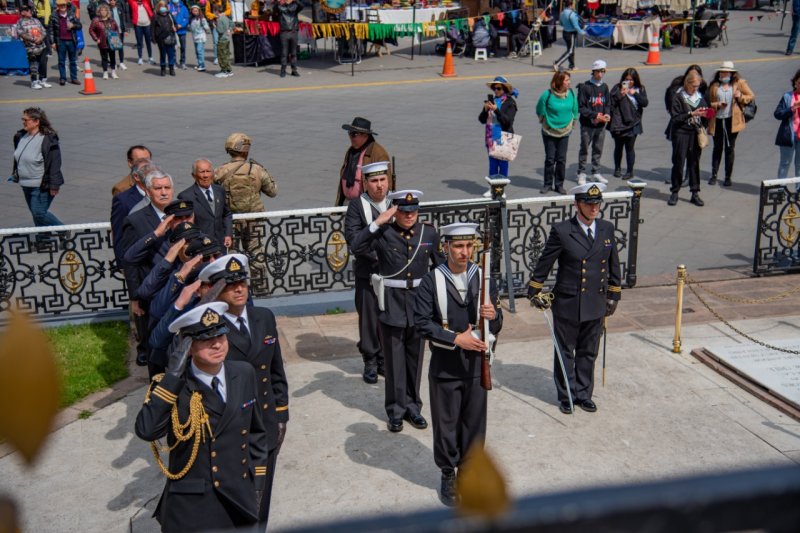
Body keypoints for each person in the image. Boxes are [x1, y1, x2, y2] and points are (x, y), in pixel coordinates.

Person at [134, 302, 270, 533]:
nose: (217, 344)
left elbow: (257, 431)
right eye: (206, 339)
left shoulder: (243, 372)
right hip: (193, 503)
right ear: (187, 346)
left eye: (221, 335)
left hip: (239, 495)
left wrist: (257, 481)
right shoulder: (174, 387)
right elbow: (147, 430)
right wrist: (172, 377)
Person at [414, 223, 502, 507]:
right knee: (447, 424)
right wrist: (455, 339)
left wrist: (494, 314)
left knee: (474, 424)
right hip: (446, 367)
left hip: (477, 366)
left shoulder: (483, 278)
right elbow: (421, 323)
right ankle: (448, 472)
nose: (465, 253)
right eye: (458, 247)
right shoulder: (431, 281)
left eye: (469, 246)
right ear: (446, 248)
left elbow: (497, 323)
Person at [200, 254, 289, 528]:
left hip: (267, 420)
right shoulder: (210, 329)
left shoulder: (263, 317)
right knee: (234, 496)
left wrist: (282, 414)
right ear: (217, 290)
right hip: (232, 427)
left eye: (243, 283)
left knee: (262, 494)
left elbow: (276, 371)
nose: (239, 289)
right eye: (230, 285)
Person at [350, 190, 444, 434]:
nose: (409, 215)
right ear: (395, 211)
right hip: (391, 305)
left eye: (413, 211)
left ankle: (413, 407)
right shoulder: (384, 233)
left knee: (415, 360)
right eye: (403, 211)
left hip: (419, 305)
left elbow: (440, 267)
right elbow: (356, 245)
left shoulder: (429, 233)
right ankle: (395, 410)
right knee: (394, 363)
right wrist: (378, 221)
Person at [528, 183, 621, 415]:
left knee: (589, 351)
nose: (594, 208)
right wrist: (535, 289)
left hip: (596, 302)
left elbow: (613, 265)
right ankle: (567, 394)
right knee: (565, 351)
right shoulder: (562, 231)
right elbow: (545, 262)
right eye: (589, 204)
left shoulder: (606, 229)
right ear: (577, 204)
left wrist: (614, 295)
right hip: (568, 302)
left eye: (597, 204)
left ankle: (583, 394)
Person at [119, 167, 175, 367]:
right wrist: (135, 297)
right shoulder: (136, 220)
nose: (164, 192)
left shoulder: (183, 213)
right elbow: (130, 262)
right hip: (153, 293)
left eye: (167, 187)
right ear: (148, 192)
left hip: (180, 289)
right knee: (156, 344)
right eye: (158, 188)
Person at [344, 161, 392, 384]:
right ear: (365, 183)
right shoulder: (357, 206)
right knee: (369, 318)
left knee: (391, 317)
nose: (379, 186)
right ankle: (371, 360)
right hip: (368, 271)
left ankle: (386, 359)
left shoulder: (397, 201)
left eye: (383, 180)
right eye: (374, 181)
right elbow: (355, 242)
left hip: (394, 273)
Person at [214, 132, 277, 294]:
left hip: (231, 221)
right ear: (245, 150)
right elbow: (273, 191)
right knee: (256, 254)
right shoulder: (256, 169)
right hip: (253, 220)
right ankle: (261, 289)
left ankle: (234, 289)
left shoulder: (220, 171)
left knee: (232, 256)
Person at [12, 107, 65, 234]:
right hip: (25, 184)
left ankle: (63, 230)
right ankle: (43, 239)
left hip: (40, 185)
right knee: (36, 214)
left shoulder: (48, 139)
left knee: (39, 213)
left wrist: (54, 185)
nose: (23, 122)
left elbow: (55, 163)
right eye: (22, 119)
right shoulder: (20, 136)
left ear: (36, 122)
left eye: (26, 120)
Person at [707, 61, 754, 187]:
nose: (724, 75)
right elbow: (707, 102)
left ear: (732, 73)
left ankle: (728, 176)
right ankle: (714, 175)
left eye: (727, 72)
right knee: (717, 147)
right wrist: (717, 105)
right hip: (717, 120)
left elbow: (750, 96)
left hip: (732, 120)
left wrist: (740, 97)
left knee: (729, 147)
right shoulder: (714, 85)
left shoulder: (739, 83)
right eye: (722, 72)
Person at [668, 71, 710, 207]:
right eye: (694, 86)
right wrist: (691, 113)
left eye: (698, 86)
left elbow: (706, 114)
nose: (696, 89)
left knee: (694, 163)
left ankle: (695, 192)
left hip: (695, 133)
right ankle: (675, 191)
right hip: (681, 133)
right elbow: (675, 118)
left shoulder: (699, 97)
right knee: (678, 162)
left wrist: (708, 113)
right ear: (688, 83)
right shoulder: (679, 97)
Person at [536, 70, 578, 195]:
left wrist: (573, 121)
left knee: (561, 159)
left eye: (569, 80)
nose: (569, 82)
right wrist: (544, 119)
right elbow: (539, 109)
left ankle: (559, 185)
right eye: (566, 80)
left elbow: (575, 109)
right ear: (559, 82)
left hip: (565, 131)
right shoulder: (547, 95)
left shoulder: (571, 94)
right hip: (549, 131)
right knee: (550, 159)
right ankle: (547, 184)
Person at [179, 158, 233, 249]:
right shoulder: (186, 197)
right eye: (202, 172)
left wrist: (228, 234)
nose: (205, 175)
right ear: (194, 175)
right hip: (201, 247)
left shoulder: (220, 190)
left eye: (208, 171)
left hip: (220, 244)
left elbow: (226, 214)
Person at [337, 117, 392, 206]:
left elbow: (387, 184)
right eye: (349, 133)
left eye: (354, 134)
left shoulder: (378, 153)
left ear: (365, 135)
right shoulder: (351, 150)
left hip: (366, 204)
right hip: (348, 202)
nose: (350, 136)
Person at [609, 68, 648, 180]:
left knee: (630, 147)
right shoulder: (617, 88)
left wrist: (634, 93)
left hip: (634, 122)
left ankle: (630, 171)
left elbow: (645, 103)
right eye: (626, 80)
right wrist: (620, 95)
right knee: (618, 146)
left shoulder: (640, 89)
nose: (629, 82)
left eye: (631, 80)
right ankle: (617, 168)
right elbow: (611, 104)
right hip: (619, 122)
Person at [576, 60, 611, 185]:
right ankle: (581, 172)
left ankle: (596, 171)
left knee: (598, 148)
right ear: (593, 71)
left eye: (603, 71)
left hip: (601, 125)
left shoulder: (605, 87)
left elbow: (607, 104)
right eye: (598, 72)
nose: (600, 74)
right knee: (584, 148)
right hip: (587, 125)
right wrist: (595, 115)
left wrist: (606, 114)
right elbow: (581, 107)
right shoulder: (585, 87)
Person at [478, 76, 518, 181]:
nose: (496, 90)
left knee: (503, 164)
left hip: (504, 137)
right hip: (491, 137)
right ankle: (492, 188)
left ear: (504, 89)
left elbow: (507, 122)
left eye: (499, 88)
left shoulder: (510, 103)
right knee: (493, 164)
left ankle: (501, 189)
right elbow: (482, 120)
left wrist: (496, 110)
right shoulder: (491, 102)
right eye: (494, 88)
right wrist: (485, 110)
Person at [14, 4, 51, 90]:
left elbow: (44, 31)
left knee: (43, 63)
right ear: (23, 12)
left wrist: (40, 38)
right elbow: (21, 34)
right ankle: (34, 82)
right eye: (27, 10)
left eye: (30, 9)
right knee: (33, 64)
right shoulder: (20, 22)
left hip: (42, 45)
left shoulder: (36, 20)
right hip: (31, 47)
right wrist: (33, 39)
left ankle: (43, 80)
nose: (30, 11)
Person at [49, 0, 81, 86]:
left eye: (64, 5)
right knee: (61, 61)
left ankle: (74, 78)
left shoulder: (71, 14)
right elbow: (51, 30)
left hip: (71, 40)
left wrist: (73, 25)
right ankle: (62, 78)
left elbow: (79, 26)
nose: (62, 7)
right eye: (60, 5)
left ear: (66, 6)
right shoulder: (53, 16)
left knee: (73, 61)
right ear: (58, 7)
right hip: (60, 41)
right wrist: (52, 43)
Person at [775, 69, 800, 180]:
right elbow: (777, 114)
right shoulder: (787, 97)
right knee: (785, 163)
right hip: (788, 134)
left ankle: (798, 191)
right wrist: (791, 109)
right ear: (795, 82)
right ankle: (781, 189)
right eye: (799, 82)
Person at [89, 2, 121, 80]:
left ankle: (113, 72)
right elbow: (91, 30)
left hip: (112, 42)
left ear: (107, 11)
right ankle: (105, 72)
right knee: (104, 58)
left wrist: (117, 38)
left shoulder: (112, 20)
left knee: (113, 57)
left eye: (105, 10)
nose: (103, 12)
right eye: (101, 10)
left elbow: (117, 29)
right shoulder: (96, 20)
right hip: (102, 42)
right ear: (99, 12)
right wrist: (96, 38)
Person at [553, 0, 584, 72]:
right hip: (571, 34)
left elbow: (560, 23)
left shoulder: (562, 13)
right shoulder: (572, 14)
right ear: (571, 5)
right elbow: (576, 26)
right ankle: (557, 63)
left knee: (571, 49)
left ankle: (571, 66)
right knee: (570, 51)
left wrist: (567, 25)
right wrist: (581, 32)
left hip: (565, 32)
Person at [274, 0, 301, 78]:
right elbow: (274, 8)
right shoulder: (280, 7)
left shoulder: (295, 6)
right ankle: (283, 70)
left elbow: (302, 6)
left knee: (293, 53)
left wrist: (295, 0)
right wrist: (278, 1)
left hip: (293, 32)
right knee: (284, 53)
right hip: (284, 32)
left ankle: (294, 70)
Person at [152, 0, 177, 76]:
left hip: (170, 37)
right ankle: (163, 68)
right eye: (161, 6)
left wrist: (174, 27)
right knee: (162, 54)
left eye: (164, 6)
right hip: (160, 38)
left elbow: (175, 24)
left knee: (171, 54)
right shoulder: (155, 16)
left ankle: (171, 68)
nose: (163, 7)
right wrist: (153, 38)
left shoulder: (169, 15)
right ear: (159, 7)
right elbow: (152, 28)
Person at [128, 0, 155, 65]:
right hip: (138, 25)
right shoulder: (133, 3)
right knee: (139, 43)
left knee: (148, 42)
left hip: (147, 25)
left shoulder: (146, 2)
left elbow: (151, 9)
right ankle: (140, 58)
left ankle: (150, 57)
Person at [205, 0, 230, 66]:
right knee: (216, 41)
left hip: (224, 23)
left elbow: (229, 10)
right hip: (214, 24)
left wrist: (223, 14)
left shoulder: (225, 1)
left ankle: (224, 56)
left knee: (224, 40)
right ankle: (216, 57)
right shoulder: (209, 2)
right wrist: (214, 15)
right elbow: (207, 12)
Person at [107, 0, 129, 70]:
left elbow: (123, 19)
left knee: (121, 47)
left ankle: (121, 63)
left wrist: (125, 30)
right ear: (109, 2)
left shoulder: (119, 8)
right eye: (111, 0)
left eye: (114, 0)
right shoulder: (108, 9)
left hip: (120, 30)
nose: (112, 2)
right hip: (113, 31)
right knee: (113, 48)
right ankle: (113, 63)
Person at [213, 1, 232, 77]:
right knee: (226, 55)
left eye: (214, 11)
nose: (214, 12)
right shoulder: (225, 17)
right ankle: (228, 70)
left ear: (217, 11)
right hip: (227, 39)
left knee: (221, 55)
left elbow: (220, 30)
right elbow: (232, 24)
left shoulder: (219, 19)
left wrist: (215, 26)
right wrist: (229, 29)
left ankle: (224, 71)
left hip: (222, 40)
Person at [189, 4, 210, 71]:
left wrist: (207, 29)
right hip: (195, 37)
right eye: (193, 11)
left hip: (201, 37)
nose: (195, 12)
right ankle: (199, 64)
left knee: (199, 51)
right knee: (197, 51)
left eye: (196, 11)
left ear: (199, 11)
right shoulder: (192, 19)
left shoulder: (202, 19)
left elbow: (206, 27)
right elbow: (190, 27)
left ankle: (202, 65)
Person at [168, 0, 189, 70]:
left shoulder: (183, 7)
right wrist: (172, 26)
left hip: (182, 31)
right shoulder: (168, 7)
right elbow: (167, 18)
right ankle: (173, 62)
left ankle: (182, 62)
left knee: (183, 47)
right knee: (173, 48)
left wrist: (181, 25)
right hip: (173, 31)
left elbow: (186, 18)